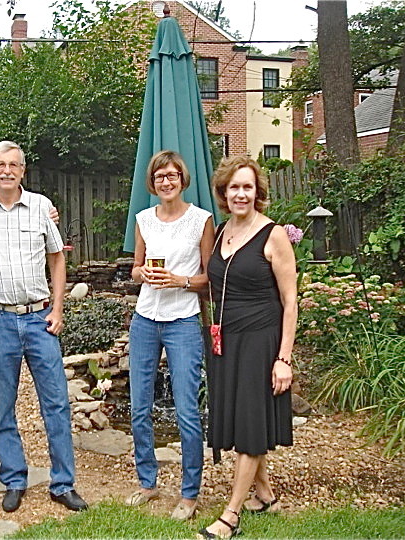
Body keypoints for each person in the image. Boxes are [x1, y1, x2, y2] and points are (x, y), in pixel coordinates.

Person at [0, 140, 88, 514]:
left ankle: (63, 484)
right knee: (3, 406)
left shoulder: (40, 207)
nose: (7, 170)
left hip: (39, 319)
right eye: (0, 164)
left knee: (55, 403)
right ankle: (14, 478)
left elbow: (57, 259)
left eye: (14, 165)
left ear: (23, 170)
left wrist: (58, 308)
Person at [198, 156, 297, 539]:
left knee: (252, 423)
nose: (241, 194)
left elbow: (291, 301)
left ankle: (231, 516)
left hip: (260, 341)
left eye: (248, 187)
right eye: (234, 187)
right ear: (224, 193)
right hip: (227, 341)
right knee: (242, 420)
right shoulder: (222, 231)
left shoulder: (272, 235)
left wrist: (283, 359)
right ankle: (266, 496)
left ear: (258, 193)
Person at [126, 150, 215, 520]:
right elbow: (134, 268)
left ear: (182, 179)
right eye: (160, 176)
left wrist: (181, 280)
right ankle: (148, 482)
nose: (166, 181)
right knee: (139, 407)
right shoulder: (144, 219)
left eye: (172, 175)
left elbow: (210, 278)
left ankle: (190, 493)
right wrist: (142, 274)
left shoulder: (201, 220)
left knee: (187, 410)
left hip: (182, 321)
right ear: (153, 182)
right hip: (145, 319)